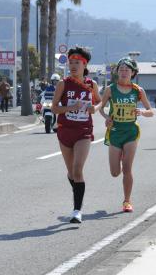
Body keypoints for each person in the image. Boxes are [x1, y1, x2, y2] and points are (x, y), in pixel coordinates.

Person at [51, 47, 101, 224]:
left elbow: (100, 102)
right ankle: (77, 194)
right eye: (70, 62)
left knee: (78, 169)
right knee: (71, 173)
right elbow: (54, 108)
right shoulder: (63, 84)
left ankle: (77, 210)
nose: (73, 66)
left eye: (76, 63)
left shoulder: (91, 84)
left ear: (84, 64)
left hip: (83, 132)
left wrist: (93, 108)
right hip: (65, 130)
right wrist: (70, 108)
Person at [99, 57, 153, 213]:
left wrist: (142, 112)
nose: (123, 72)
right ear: (117, 72)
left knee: (127, 168)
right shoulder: (110, 89)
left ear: (133, 73)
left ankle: (127, 201)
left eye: (126, 70)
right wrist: (107, 118)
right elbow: (101, 108)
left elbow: (150, 112)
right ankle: (120, 158)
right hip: (115, 132)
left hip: (131, 131)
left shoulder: (138, 90)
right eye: (120, 69)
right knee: (115, 173)